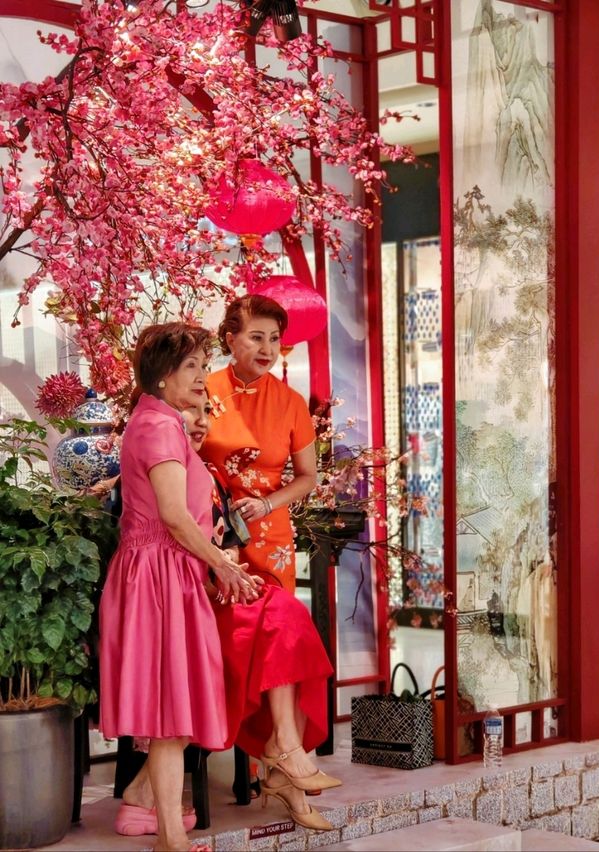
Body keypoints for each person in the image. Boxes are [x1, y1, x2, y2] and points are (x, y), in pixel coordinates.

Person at [99, 322, 261, 852]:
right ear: (162, 377)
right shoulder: (160, 427)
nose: (200, 375)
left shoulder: (158, 421)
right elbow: (172, 516)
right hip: (160, 573)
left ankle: (143, 800)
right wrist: (225, 564)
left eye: (201, 363)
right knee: (172, 710)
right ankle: (170, 836)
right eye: (190, 366)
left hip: (164, 571)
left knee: (181, 700)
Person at [185, 400, 341, 831]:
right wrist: (222, 578)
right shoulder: (170, 476)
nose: (201, 423)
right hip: (190, 601)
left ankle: (282, 753)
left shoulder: (214, 478)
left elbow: (228, 544)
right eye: (190, 412)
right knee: (280, 619)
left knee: (284, 613)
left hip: (230, 581)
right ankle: (285, 761)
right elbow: (175, 555)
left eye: (204, 414)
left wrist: (232, 573)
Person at [199, 294, 317, 594]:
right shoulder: (202, 390)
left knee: (272, 627)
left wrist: (266, 505)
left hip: (268, 533)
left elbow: (307, 477)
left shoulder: (291, 403)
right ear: (231, 339)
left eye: (274, 339)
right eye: (256, 337)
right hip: (209, 533)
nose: (268, 349)